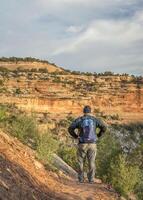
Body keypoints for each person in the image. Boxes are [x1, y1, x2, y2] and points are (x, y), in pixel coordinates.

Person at [68, 105, 107, 183]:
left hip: (82, 143)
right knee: (91, 162)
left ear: (84, 112)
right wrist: (98, 135)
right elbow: (104, 127)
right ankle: (91, 180)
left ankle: (81, 179)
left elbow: (70, 128)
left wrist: (76, 136)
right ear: (90, 112)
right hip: (92, 143)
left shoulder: (80, 119)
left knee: (81, 161)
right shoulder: (95, 120)